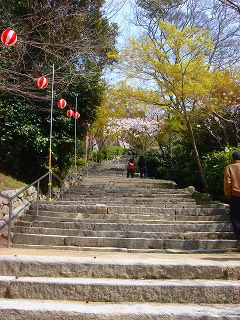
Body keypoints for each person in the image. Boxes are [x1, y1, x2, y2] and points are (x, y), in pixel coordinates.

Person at [224, 150, 240, 251]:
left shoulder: (230, 167)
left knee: (236, 218)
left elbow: (227, 183)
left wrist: (229, 195)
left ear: (233, 158)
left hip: (235, 196)